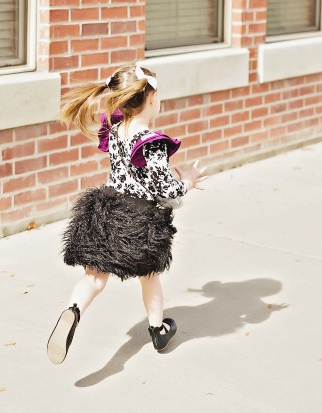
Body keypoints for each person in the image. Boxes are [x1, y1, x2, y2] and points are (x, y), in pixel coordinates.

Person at [47, 65, 207, 364]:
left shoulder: (115, 129)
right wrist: (187, 181)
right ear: (151, 98)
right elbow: (165, 188)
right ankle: (158, 330)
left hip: (106, 210)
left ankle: (73, 310)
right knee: (149, 275)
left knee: (94, 277)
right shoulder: (151, 142)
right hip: (138, 219)